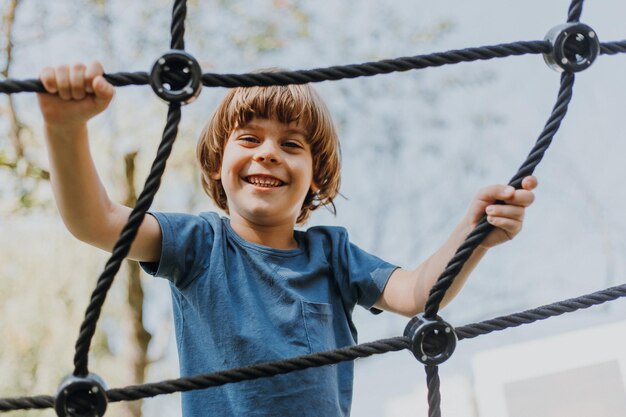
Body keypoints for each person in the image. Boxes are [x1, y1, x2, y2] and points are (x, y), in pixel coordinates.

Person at [37, 61, 537, 417]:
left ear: (316, 178)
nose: (269, 153)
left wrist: (472, 237)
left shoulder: (333, 255)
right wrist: (65, 129)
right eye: (249, 139)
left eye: (291, 144)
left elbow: (417, 294)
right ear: (216, 163)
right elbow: (97, 221)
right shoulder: (198, 245)